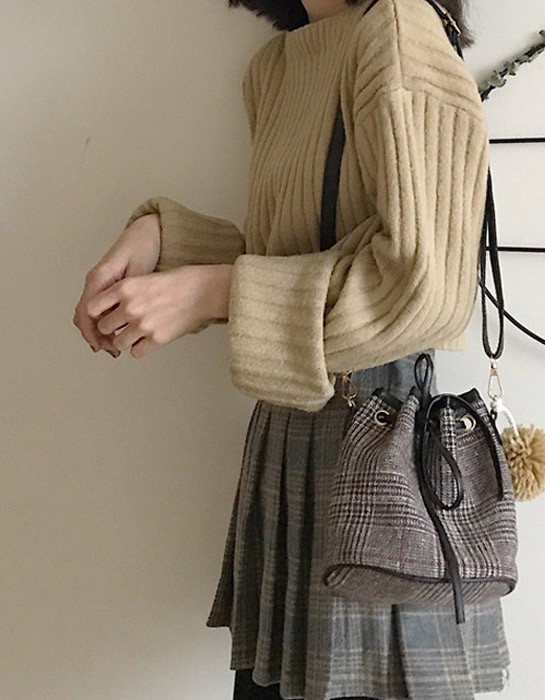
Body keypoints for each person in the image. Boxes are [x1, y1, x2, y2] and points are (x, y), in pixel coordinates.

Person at [72, 0, 510, 697]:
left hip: (377, 439)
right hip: (293, 429)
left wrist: (215, 292)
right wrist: (166, 240)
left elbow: (424, 288)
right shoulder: (278, 66)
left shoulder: (398, 29)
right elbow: (294, 252)